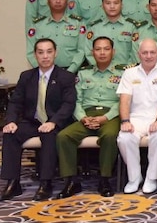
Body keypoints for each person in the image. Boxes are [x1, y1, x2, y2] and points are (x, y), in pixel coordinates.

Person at [0, 39, 77, 201]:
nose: (45, 56)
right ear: (35, 55)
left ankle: (45, 183)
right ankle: (13, 183)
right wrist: (10, 121)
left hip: (55, 122)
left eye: (49, 52)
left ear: (55, 53)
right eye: (40, 52)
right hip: (32, 122)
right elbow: (16, 102)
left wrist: (53, 122)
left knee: (50, 135)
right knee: (11, 134)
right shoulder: (27, 76)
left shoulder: (65, 77)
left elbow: (69, 104)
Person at [56, 36, 122, 198]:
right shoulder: (83, 73)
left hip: (110, 116)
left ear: (113, 52)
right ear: (92, 52)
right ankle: (71, 181)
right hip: (87, 114)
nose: (102, 53)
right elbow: (76, 100)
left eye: (106, 49)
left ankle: (104, 179)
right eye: (98, 49)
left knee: (110, 135)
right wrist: (82, 118)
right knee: (64, 136)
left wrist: (105, 118)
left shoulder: (123, 73)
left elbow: (124, 101)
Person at [116, 38, 157, 195]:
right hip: (136, 117)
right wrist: (125, 121)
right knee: (124, 137)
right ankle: (134, 178)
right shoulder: (129, 72)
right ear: (138, 54)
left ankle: (151, 177)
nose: (148, 56)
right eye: (145, 53)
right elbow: (124, 100)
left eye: (152, 52)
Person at [26, 0, 88, 72]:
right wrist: (43, 70)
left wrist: (70, 71)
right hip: (44, 72)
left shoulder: (78, 23)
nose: (58, 1)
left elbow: (82, 51)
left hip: (71, 72)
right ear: (48, 0)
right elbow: (30, 52)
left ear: (67, 0)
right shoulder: (37, 25)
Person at [85, 0, 140, 68]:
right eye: (108, 3)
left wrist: (128, 70)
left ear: (122, 5)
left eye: (116, 3)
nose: (112, 6)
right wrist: (100, 68)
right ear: (102, 6)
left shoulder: (131, 27)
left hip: (126, 72)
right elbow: (89, 52)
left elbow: (135, 52)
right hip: (101, 73)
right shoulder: (94, 28)